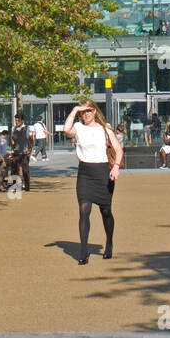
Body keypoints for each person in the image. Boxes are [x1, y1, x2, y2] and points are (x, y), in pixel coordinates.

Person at [64, 99, 122, 265]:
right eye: (83, 111)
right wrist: (75, 109)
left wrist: (116, 167)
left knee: (105, 211)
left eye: (88, 110)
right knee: (84, 210)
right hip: (85, 173)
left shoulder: (105, 129)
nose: (86, 114)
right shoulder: (78, 128)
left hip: (103, 173)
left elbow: (118, 150)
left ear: (95, 111)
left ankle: (109, 242)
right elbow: (66, 129)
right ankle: (83, 251)